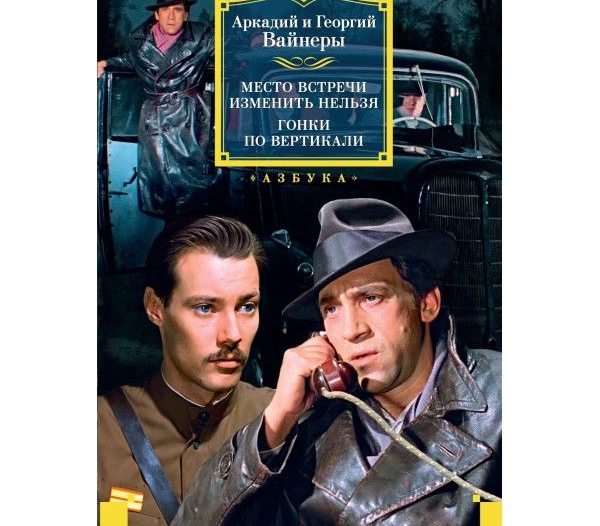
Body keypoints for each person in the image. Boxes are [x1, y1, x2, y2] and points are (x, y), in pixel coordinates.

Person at [173, 198, 501, 525]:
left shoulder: (501, 402)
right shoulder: (310, 427)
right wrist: (276, 421)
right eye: (331, 309)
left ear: (426, 304)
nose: (351, 330)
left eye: (371, 297)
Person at [98, 216, 274, 525]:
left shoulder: (283, 420)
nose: (232, 334)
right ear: (156, 307)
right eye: (205, 308)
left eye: (247, 307)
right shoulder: (100, 432)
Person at [97, 0, 214, 217]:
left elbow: (232, 48)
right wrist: (106, 63)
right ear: (156, 15)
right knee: (162, 197)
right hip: (154, 126)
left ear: (186, 14)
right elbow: (131, 61)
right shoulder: (141, 44)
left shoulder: (202, 39)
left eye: (177, 10)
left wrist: (256, 40)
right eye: (165, 10)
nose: (171, 16)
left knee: (194, 199)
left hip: (190, 124)